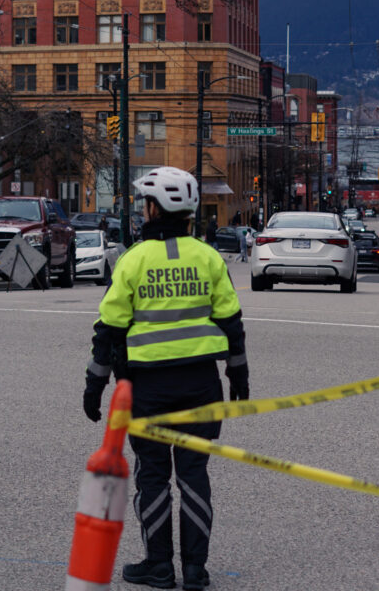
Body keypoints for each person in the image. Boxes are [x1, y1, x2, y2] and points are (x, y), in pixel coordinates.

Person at [82, 166, 249, 591]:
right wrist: (239, 372)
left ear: (155, 208)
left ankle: (159, 565)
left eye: (145, 203)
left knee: (153, 475)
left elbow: (109, 329)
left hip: (147, 387)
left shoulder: (133, 259)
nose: (142, 210)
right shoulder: (208, 256)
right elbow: (231, 320)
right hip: (200, 383)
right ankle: (196, 569)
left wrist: (95, 384)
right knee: (194, 473)